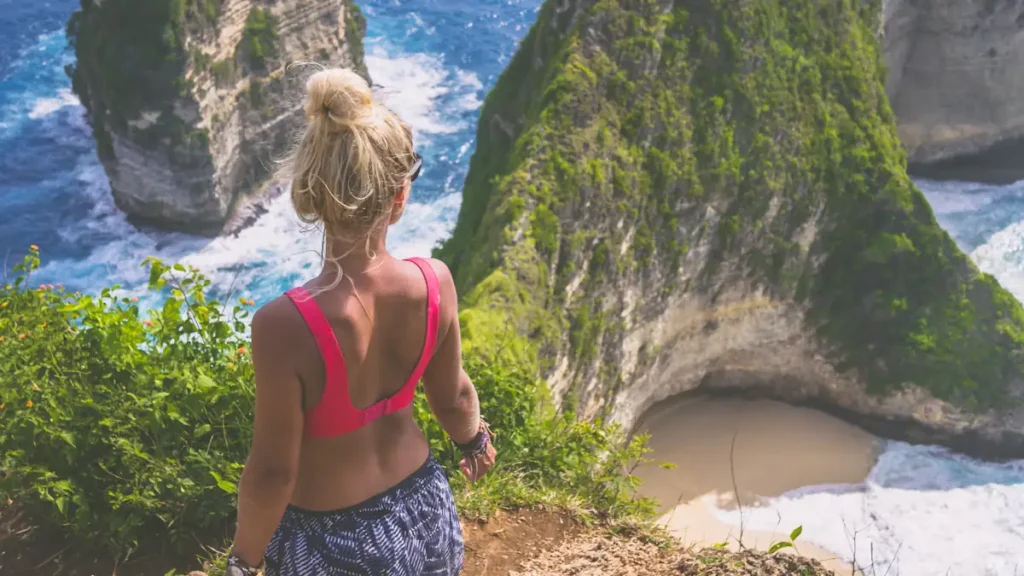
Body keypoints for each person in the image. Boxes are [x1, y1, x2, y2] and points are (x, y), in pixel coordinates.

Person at [223, 68, 496, 576]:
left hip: (332, 539)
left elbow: (274, 471)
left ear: (309, 192)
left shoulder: (283, 325)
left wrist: (243, 561)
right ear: (398, 199)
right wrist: (474, 440)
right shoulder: (434, 283)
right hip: (425, 511)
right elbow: (454, 396)